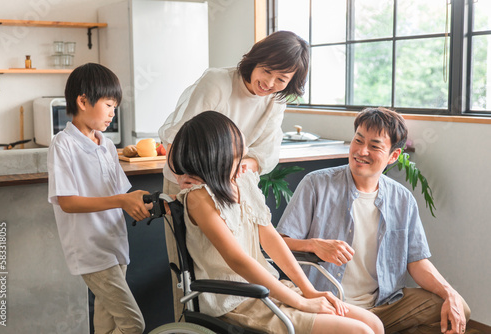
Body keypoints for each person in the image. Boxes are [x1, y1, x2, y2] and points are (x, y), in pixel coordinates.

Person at [169, 110, 384, 334]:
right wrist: (300, 302)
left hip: (269, 289)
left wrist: (307, 291)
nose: (242, 141)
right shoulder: (198, 197)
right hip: (235, 301)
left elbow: (271, 238)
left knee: (374, 324)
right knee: (361, 332)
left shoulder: (243, 180)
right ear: (217, 152)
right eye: (235, 138)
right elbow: (237, 261)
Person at [276, 107, 471, 334]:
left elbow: (417, 261)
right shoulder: (316, 184)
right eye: (358, 140)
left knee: (457, 309)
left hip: (385, 304)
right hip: (330, 302)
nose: (362, 151)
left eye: (375, 146)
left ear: (393, 156)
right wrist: (313, 244)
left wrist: (449, 293)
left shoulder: (402, 198)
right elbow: (277, 244)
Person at [158, 30, 310, 320]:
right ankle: (188, 323)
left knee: (241, 259)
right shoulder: (217, 82)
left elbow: (264, 154)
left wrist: (243, 165)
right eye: (267, 72)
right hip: (191, 180)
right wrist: (187, 175)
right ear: (254, 60)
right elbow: (182, 137)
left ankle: (250, 306)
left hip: (234, 181)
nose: (270, 84)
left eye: (282, 79)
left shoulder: (275, 99)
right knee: (187, 268)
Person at [47, 63, 150, 334]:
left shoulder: (105, 145)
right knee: (133, 325)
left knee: (106, 325)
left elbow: (119, 194)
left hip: (115, 246)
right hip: (91, 250)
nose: (112, 113)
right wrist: (122, 201)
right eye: (108, 105)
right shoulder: (63, 144)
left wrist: (139, 201)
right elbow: (68, 202)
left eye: (115, 107)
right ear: (83, 101)